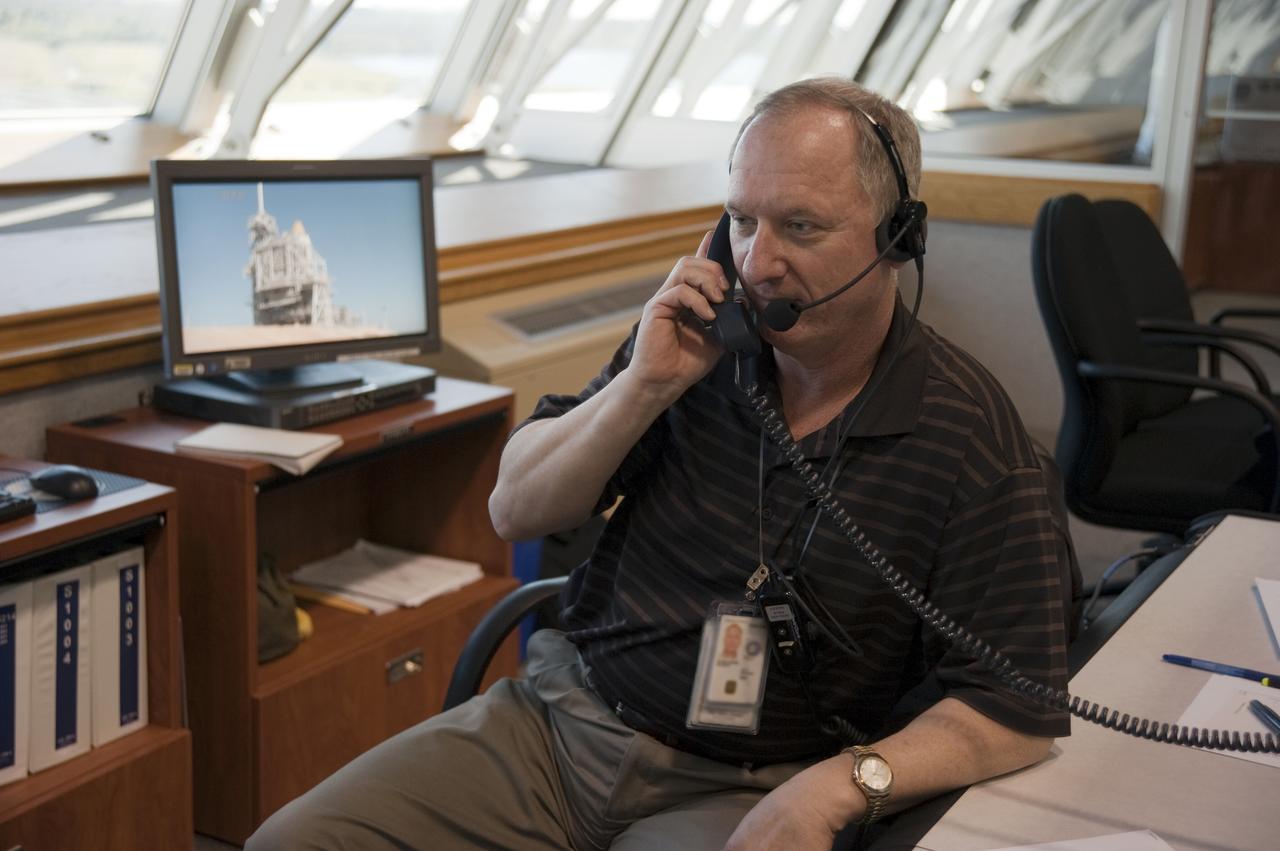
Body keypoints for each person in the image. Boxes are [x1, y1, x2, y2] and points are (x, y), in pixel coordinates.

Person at [248, 77, 1076, 851]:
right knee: (290, 840)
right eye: (742, 221)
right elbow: (517, 510)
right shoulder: (693, 347)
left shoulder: (975, 440)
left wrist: (843, 785)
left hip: (752, 783)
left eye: (802, 226)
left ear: (898, 239)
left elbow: (1015, 703)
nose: (756, 262)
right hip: (560, 723)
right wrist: (643, 386)